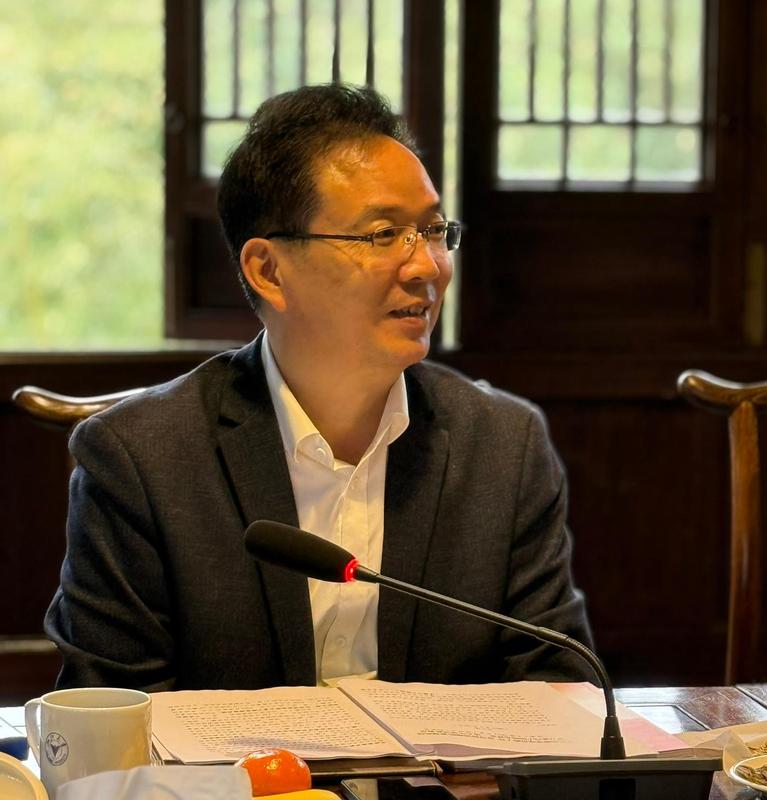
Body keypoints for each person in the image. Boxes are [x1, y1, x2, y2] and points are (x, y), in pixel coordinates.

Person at [44, 84, 594, 691]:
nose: (426, 266)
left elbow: (556, 685)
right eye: (382, 234)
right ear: (268, 270)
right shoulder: (141, 460)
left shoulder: (504, 447)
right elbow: (111, 710)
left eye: (434, 230)